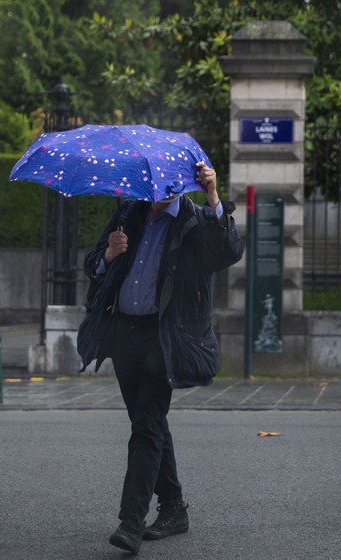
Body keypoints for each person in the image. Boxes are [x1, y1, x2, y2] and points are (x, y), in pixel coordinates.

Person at [77, 161, 244, 554]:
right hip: (123, 336)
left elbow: (229, 252)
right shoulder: (128, 213)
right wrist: (109, 256)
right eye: (155, 179)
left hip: (163, 338)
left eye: (170, 180)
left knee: (147, 427)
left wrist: (214, 197)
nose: (161, 186)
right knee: (147, 422)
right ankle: (173, 508)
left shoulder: (193, 220)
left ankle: (131, 521)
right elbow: (93, 266)